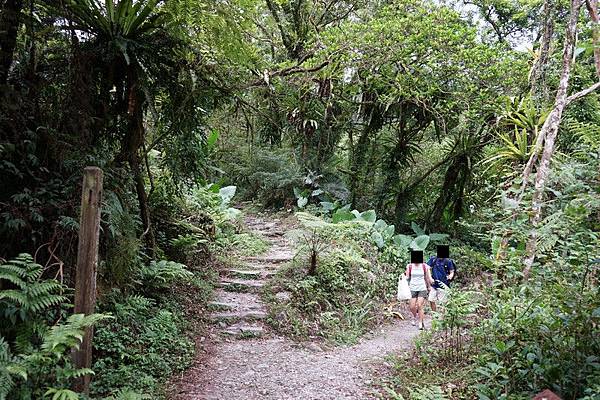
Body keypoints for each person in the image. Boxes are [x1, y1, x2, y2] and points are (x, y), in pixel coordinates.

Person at [406, 250, 433, 330]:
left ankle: (420, 323)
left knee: (420, 305)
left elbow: (427, 277)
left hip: (422, 288)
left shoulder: (425, 266)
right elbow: (407, 277)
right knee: (412, 306)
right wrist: (404, 278)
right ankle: (415, 316)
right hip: (412, 288)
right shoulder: (410, 266)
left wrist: (429, 286)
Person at [427, 244, 455, 312]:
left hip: (444, 284)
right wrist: (430, 278)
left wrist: (450, 276)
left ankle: (442, 317)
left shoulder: (448, 261)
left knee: (443, 302)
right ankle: (434, 314)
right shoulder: (433, 259)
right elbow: (427, 268)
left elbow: (452, 271)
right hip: (434, 284)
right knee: (431, 299)